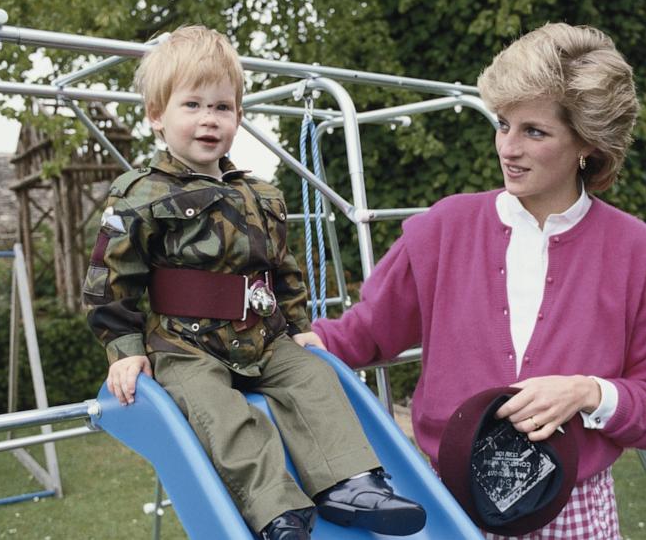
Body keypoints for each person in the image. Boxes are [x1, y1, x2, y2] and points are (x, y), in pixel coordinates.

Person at [295, 22, 646, 539]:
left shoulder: (644, 259)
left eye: (535, 131)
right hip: (445, 505)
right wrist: (285, 344)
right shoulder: (441, 230)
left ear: (587, 145)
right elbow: (363, 334)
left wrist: (587, 392)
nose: (508, 147)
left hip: (570, 513)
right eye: (503, 124)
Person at [83, 26, 425, 540]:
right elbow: (110, 280)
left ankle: (350, 485)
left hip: (262, 336)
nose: (208, 119)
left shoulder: (261, 194)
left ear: (238, 116)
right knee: (221, 413)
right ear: (157, 116)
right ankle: (276, 511)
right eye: (192, 104)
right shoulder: (140, 194)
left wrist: (298, 326)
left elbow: (283, 271)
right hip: (186, 345)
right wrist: (126, 349)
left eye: (222, 107)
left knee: (315, 379)